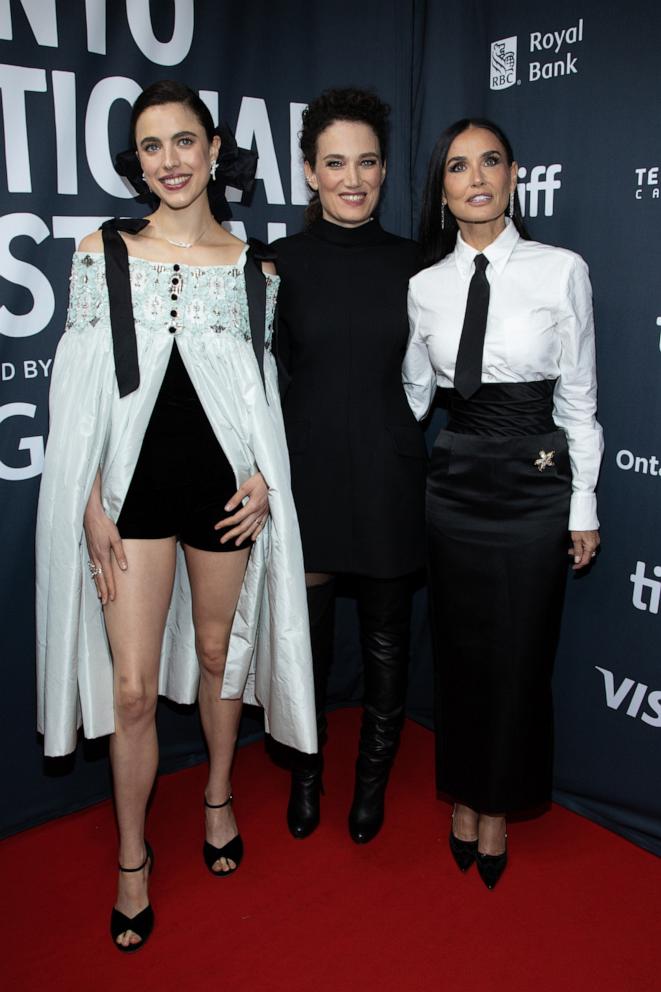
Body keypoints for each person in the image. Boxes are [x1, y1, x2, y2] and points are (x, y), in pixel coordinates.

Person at [36, 80, 316, 950]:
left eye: (183, 141)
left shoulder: (255, 269)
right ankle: (131, 857)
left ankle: (219, 793)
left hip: (224, 495)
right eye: (151, 147)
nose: (170, 162)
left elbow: (259, 395)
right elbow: (76, 394)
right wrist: (84, 498)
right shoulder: (101, 253)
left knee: (213, 652)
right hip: (128, 499)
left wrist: (268, 480)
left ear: (213, 145)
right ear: (137, 162)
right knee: (129, 691)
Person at [404, 118, 603, 888]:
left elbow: (579, 396)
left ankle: (498, 807)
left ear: (514, 175)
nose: (476, 177)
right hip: (454, 481)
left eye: (490, 161)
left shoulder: (560, 271)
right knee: (458, 653)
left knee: (520, 655)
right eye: (458, 166)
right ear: (444, 189)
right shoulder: (423, 286)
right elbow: (413, 394)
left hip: (535, 479)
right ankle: (463, 797)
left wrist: (581, 501)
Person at [272, 88, 426, 844]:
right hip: (307, 478)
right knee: (308, 640)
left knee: (387, 644)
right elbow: (263, 382)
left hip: (390, 474)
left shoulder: (418, 260)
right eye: (334, 162)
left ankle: (371, 782)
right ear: (308, 172)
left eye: (366, 161)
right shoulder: (275, 264)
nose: (352, 177)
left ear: (384, 168)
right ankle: (307, 775)